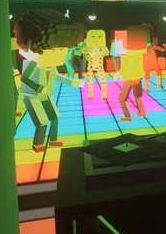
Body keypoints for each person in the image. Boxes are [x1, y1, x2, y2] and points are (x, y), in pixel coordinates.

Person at [14, 9, 85, 152]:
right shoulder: (33, 63)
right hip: (32, 97)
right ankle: (38, 144)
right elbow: (25, 78)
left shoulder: (50, 64)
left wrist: (72, 82)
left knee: (54, 116)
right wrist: (37, 87)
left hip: (46, 95)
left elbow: (56, 76)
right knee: (41, 121)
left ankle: (53, 139)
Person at [118, 26, 148, 121]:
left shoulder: (124, 52)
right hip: (138, 77)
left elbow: (124, 65)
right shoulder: (139, 53)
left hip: (129, 77)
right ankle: (141, 112)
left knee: (121, 99)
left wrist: (120, 73)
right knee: (137, 95)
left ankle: (127, 116)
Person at [81, 29, 109, 99]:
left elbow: (106, 52)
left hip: (99, 65)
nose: (96, 39)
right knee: (89, 80)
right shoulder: (89, 47)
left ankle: (104, 94)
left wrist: (100, 52)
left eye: (99, 37)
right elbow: (83, 50)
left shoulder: (102, 47)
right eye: (93, 37)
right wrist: (87, 48)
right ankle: (90, 94)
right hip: (90, 65)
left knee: (102, 79)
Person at [142, 24, 166, 92]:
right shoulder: (152, 45)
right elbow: (162, 50)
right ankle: (158, 86)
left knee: (147, 73)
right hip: (153, 61)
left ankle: (147, 89)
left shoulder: (142, 46)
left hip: (146, 62)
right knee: (158, 72)